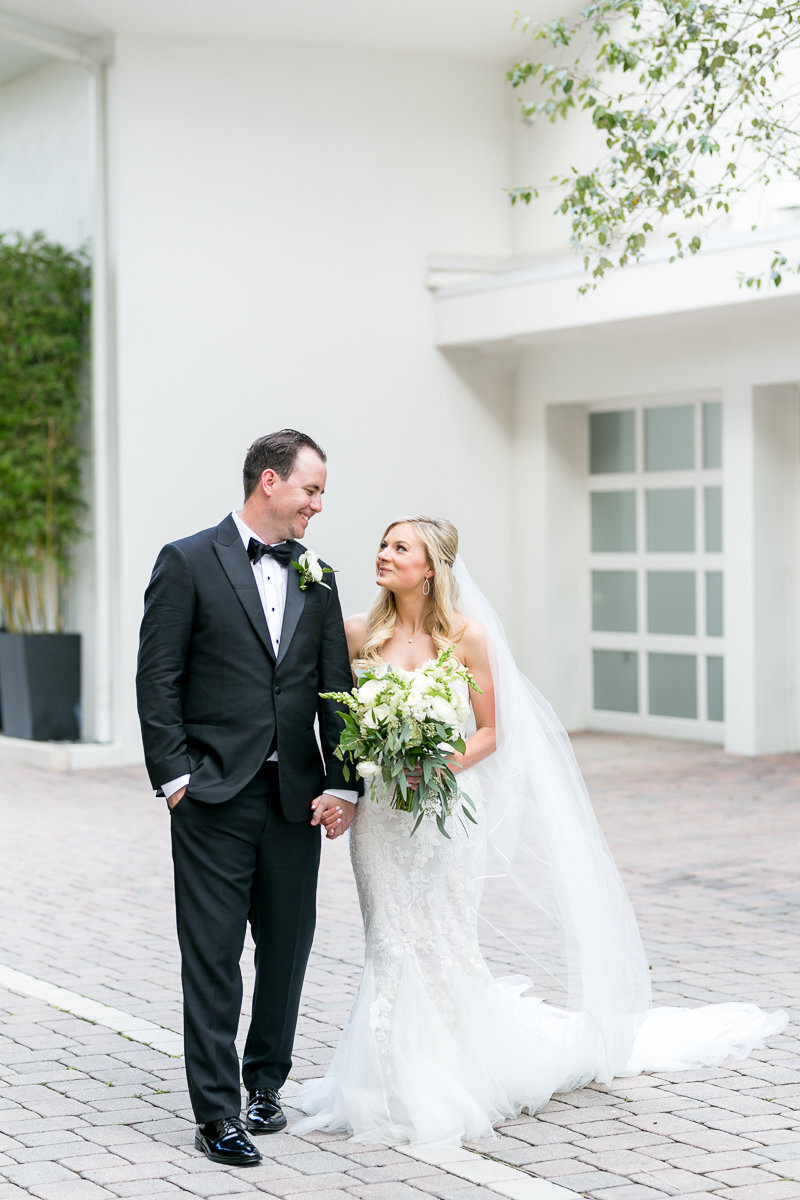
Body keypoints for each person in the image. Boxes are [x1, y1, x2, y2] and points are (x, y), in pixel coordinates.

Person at [295, 515, 788, 1147]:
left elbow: (490, 731)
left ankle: (448, 1072)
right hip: (384, 818)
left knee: (443, 938)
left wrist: (441, 763)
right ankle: (386, 1078)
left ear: (431, 566)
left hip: (444, 811)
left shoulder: (466, 638)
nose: (383, 555)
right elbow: (332, 717)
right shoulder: (358, 634)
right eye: (383, 545)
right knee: (389, 939)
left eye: (399, 547)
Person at [136, 429, 357, 1167]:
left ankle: (267, 1083)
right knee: (212, 955)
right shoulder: (188, 560)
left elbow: (338, 690)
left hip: (294, 796)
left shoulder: (319, 577)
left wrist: (342, 780)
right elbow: (158, 677)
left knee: (287, 950)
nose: (318, 505)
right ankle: (217, 1112)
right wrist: (175, 779)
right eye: (312, 489)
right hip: (212, 796)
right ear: (270, 481)